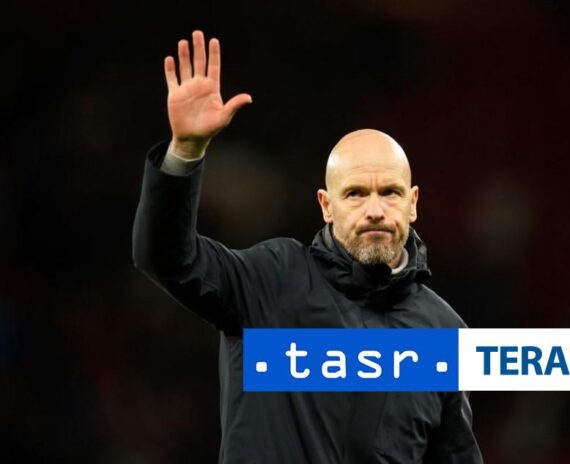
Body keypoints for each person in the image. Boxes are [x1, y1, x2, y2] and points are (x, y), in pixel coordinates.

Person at [132, 30, 483, 464]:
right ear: (326, 206)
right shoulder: (271, 279)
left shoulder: (443, 332)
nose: (375, 210)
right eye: (355, 194)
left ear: (412, 203)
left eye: (389, 193)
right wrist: (185, 152)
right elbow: (167, 258)